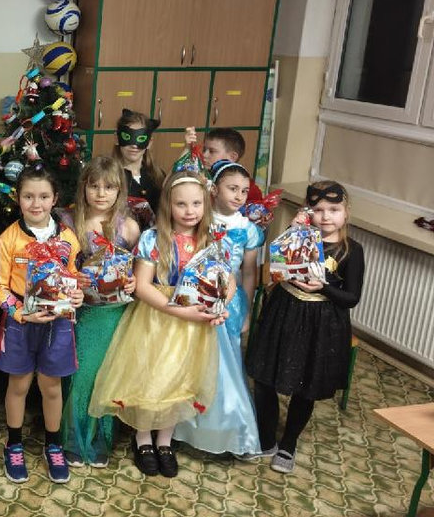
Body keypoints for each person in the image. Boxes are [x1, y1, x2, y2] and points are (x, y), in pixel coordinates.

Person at [89, 171, 231, 479]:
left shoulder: (214, 239)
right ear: (168, 205)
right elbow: (142, 286)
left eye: (196, 203)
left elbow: (227, 281)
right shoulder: (153, 238)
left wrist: (220, 305)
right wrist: (181, 311)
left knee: (180, 380)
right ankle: (143, 439)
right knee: (150, 378)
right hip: (157, 319)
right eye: (181, 204)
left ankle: (165, 440)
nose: (189, 211)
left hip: (193, 328)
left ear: (206, 204)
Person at [246, 181, 364, 474]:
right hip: (284, 311)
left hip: (322, 322)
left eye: (333, 210)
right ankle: (266, 437)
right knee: (264, 377)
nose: (326, 216)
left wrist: (323, 287)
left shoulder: (352, 250)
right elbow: (275, 269)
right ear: (307, 211)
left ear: (346, 212)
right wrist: (293, 230)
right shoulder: (297, 235)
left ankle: (288, 443)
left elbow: (351, 298)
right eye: (318, 210)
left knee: (306, 385)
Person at [0, 164, 84, 485]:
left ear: (55, 198)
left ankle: (53, 445)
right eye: (28, 196)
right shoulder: (9, 238)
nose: (36, 203)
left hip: (58, 323)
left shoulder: (68, 237)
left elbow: (74, 275)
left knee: (51, 386)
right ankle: (14, 444)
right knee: (18, 385)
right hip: (20, 323)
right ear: (17, 198)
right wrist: (19, 313)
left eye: (44, 196)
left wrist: (76, 294)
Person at [174, 160, 262, 457]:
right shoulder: (200, 218)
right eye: (232, 188)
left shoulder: (248, 229)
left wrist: (247, 311)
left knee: (225, 365)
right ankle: (182, 428)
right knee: (191, 359)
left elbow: (248, 273)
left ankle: (227, 432)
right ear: (214, 189)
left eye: (244, 191)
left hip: (229, 302)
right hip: (195, 296)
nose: (239, 195)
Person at [61, 156, 140, 468]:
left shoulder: (129, 227)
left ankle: (99, 439)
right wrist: (72, 278)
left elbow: (138, 271)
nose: (101, 193)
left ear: (120, 190)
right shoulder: (69, 223)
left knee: (107, 377)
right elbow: (58, 266)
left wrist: (133, 281)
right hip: (82, 313)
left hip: (114, 314)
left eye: (109, 187)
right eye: (94, 186)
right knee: (80, 375)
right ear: (84, 187)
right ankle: (73, 438)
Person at [112, 109, 163, 229]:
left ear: (149, 142)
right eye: (127, 137)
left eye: (141, 139)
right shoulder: (110, 176)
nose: (134, 145)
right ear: (117, 138)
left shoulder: (157, 176)